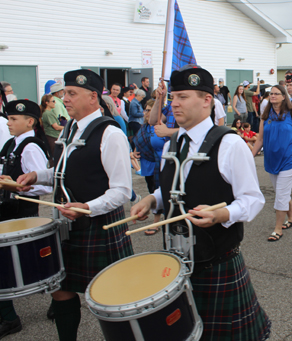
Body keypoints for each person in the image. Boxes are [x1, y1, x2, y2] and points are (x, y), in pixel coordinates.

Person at [130, 65, 271, 340]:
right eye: (173, 97)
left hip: (216, 262)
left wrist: (222, 214)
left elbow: (253, 200)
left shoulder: (230, 144)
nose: (174, 103)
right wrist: (152, 199)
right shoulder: (173, 142)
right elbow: (174, 188)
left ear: (207, 100)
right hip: (176, 260)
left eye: (183, 96)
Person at [16, 69, 133, 340]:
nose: (64, 99)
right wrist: (37, 175)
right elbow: (61, 171)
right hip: (66, 224)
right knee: (61, 287)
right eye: (64, 93)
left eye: (71, 93)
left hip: (99, 225)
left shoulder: (110, 133)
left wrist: (88, 207)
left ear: (93, 97)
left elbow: (122, 191)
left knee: (111, 292)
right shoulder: (69, 127)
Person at [0, 99, 52, 339]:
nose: (8, 123)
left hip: (22, 214)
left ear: (29, 121)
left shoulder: (30, 146)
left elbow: (43, 186)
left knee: (35, 267)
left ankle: (10, 318)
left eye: (13, 119)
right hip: (8, 212)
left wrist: (22, 188)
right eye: (9, 119)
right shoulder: (11, 143)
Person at [251, 85, 292, 241]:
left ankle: (278, 229)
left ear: (283, 96)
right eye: (271, 94)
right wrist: (250, 156)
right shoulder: (265, 115)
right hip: (271, 159)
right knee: (282, 191)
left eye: (276, 94)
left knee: (281, 193)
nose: (272, 96)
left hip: (290, 158)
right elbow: (259, 139)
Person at [133, 99, 166, 235]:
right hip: (147, 164)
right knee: (151, 190)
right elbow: (138, 140)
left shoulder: (160, 126)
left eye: (148, 110)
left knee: (157, 190)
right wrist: (134, 150)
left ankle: (156, 222)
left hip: (158, 164)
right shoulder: (144, 126)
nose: (145, 113)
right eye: (145, 110)